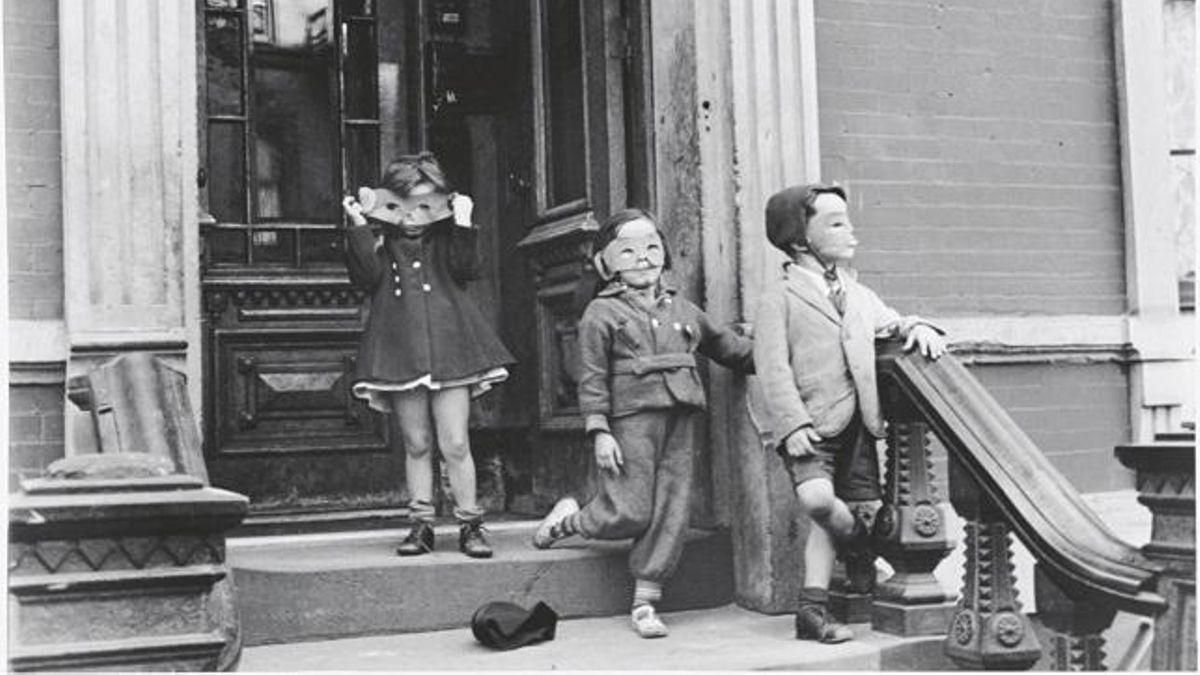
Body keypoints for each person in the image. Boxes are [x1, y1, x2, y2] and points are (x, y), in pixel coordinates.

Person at [532, 208, 755, 638]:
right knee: (631, 510)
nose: (643, 259)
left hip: (681, 416)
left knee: (672, 507)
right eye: (628, 251)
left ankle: (645, 601)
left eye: (652, 248)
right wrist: (600, 431)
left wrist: (782, 354)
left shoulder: (683, 309)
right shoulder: (601, 313)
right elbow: (591, 377)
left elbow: (729, 348)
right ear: (606, 262)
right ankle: (570, 521)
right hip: (630, 420)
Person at [751, 183, 946, 643]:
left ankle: (812, 611)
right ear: (801, 240)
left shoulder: (858, 293)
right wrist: (792, 425)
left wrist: (917, 325)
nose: (851, 231)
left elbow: (889, 322)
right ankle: (858, 546)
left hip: (858, 424)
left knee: (836, 516)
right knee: (819, 502)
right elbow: (772, 367)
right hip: (810, 426)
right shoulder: (779, 297)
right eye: (836, 223)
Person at [342, 152, 515, 559]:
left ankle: (470, 524)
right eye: (402, 205)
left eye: (423, 205)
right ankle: (421, 525)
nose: (412, 217)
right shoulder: (382, 242)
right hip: (400, 351)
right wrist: (359, 225)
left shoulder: (447, 239)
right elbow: (366, 277)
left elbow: (467, 269)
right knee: (417, 442)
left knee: (455, 441)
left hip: (450, 349)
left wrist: (463, 221)